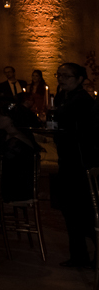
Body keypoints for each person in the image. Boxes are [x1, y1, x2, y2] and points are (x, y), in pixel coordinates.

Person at [51, 62, 99, 268]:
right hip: (68, 160)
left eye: (66, 76)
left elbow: (64, 117)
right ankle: (78, 255)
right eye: (59, 75)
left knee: (84, 211)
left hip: (81, 162)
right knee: (70, 210)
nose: (61, 79)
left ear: (80, 79)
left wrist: (54, 111)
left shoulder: (81, 100)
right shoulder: (64, 96)